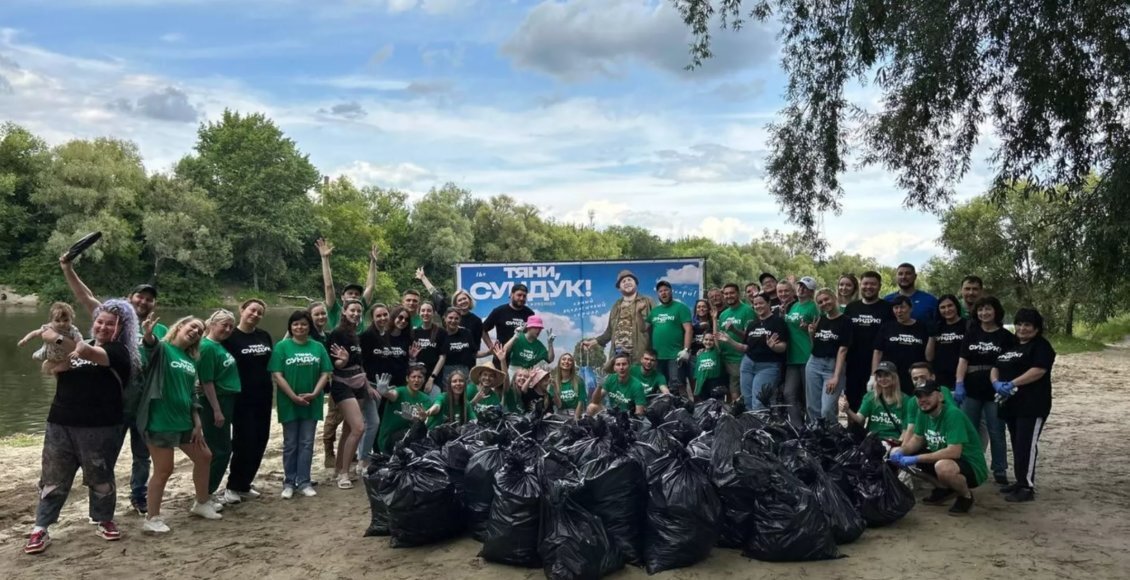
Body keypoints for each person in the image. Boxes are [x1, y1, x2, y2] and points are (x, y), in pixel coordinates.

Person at [24, 299, 139, 555]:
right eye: (100, 322)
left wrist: (54, 336)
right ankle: (40, 527)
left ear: (120, 329)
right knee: (53, 479)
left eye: (111, 324)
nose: (103, 327)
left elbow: (88, 354)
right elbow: (50, 367)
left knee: (100, 476)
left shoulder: (119, 352)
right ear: (93, 324)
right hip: (60, 422)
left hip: (100, 426)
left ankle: (103, 519)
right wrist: (51, 362)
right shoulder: (75, 347)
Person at [60, 253, 166, 516]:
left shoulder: (160, 330)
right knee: (107, 455)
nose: (144, 301)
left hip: (144, 405)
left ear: (154, 304)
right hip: (114, 402)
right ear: (130, 298)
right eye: (139, 296)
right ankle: (102, 503)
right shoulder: (115, 322)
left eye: (149, 298)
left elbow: (173, 356)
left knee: (143, 456)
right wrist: (68, 268)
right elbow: (86, 297)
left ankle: (138, 496)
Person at [138, 316, 221, 533]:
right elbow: (148, 349)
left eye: (200, 330)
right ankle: (152, 518)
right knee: (164, 470)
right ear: (180, 326)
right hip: (160, 420)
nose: (195, 331)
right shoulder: (162, 349)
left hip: (185, 420)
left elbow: (192, 392)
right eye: (192, 326)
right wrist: (148, 334)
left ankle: (201, 503)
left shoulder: (191, 359)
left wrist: (197, 423)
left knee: (205, 456)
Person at [892, 380, 988, 515]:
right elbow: (918, 439)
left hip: (969, 463)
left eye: (928, 395)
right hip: (942, 456)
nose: (923, 400)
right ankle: (943, 488)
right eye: (919, 396)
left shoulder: (953, 414)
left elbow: (954, 451)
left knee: (943, 467)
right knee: (897, 454)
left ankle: (965, 496)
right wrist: (901, 451)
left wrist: (915, 458)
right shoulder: (923, 413)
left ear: (940, 396)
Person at [992, 308, 1057, 502]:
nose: (1022, 328)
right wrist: (996, 382)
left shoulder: (1041, 346)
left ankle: (1027, 487)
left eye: (1027, 325)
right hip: (1011, 404)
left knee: (1026, 445)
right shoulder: (1010, 346)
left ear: (1036, 328)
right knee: (1017, 443)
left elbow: (1038, 370)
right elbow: (996, 366)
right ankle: (1020, 481)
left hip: (1032, 405)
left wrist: (1013, 383)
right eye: (1019, 324)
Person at [269, 310, 332, 499]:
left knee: (306, 443)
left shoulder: (318, 347)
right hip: (289, 402)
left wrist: (314, 393)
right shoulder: (282, 347)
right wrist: (293, 396)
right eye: (295, 324)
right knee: (290, 443)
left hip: (311, 403)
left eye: (304, 324)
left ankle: (304, 481)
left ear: (309, 327)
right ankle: (289, 482)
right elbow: (277, 375)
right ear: (290, 327)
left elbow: (325, 372)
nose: (299, 327)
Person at [955, 296, 1014, 485]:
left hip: (995, 390)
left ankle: (999, 469)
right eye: (980, 310)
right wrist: (959, 383)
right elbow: (963, 360)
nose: (984, 313)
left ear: (996, 311)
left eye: (988, 309)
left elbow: (1010, 363)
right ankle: (968, 465)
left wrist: (1005, 384)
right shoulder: (971, 333)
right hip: (971, 389)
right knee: (968, 430)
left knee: (996, 430)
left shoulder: (1006, 337)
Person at [221, 299, 274, 504]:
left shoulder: (264, 336)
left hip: (264, 395)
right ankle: (233, 486)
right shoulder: (230, 336)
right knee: (244, 440)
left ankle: (245, 484)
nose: (255, 315)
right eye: (252, 310)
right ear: (242, 310)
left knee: (261, 439)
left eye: (260, 312)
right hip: (241, 397)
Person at [197, 309, 242, 508]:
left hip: (226, 400)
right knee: (220, 450)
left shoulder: (218, 346)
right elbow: (207, 381)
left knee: (220, 448)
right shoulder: (207, 347)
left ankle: (207, 493)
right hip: (215, 402)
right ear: (212, 324)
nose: (228, 329)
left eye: (231, 326)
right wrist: (216, 409)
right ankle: (204, 494)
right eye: (224, 324)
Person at [718, 294, 787, 409]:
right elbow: (745, 347)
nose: (758, 306)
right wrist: (729, 341)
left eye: (761, 303)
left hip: (768, 366)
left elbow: (783, 346)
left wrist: (773, 346)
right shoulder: (752, 324)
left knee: (760, 402)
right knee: (747, 401)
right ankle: (751, 426)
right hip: (748, 364)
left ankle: (762, 426)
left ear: (768, 303)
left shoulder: (778, 322)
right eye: (755, 304)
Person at [326, 300, 368, 489]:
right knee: (359, 428)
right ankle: (344, 473)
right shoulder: (338, 333)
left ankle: (339, 469)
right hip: (342, 384)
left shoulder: (355, 334)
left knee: (349, 429)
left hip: (359, 383)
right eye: (353, 310)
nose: (356, 313)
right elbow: (336, 364)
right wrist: (342, 361)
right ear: (344, 311)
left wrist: (367, 384)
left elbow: (359, 363)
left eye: (359, 311)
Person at [582, 270, 654, 370]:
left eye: (630, 279)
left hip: (640, 355)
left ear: (636, 283)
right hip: (619, 356)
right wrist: (593, 342)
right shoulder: (616, 306)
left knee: (638, 384)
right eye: (623, 281)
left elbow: (657, 325)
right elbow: (609, 332)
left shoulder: (647, 301)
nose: (627, 282)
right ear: (619, 288)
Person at [843, 271, 892, 410]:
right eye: (865, 283)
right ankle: (853, 430)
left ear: (879, 286)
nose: (868, 287)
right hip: (853, 362)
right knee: (852, 400)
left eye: (873, 284)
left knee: (876, 401)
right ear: (860, 285)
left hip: (878, 364)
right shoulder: (852, 307)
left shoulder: (887, 308)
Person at [839, 361, 914, 446]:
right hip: (872, 441)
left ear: (894, 377)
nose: (882, 379)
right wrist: (847, 409)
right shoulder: (870, 397)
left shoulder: (906, 400)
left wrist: (899, 447)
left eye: (886, 375)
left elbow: (906, 430)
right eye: (879, 376)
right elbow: (860, 419)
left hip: (893, 441)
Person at [416, 269, 485, 355]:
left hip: (466, 362)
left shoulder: (476, 321)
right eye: (460, 300)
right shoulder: (447, 312)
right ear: (455, 303)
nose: (463, 301)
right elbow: (435, 294)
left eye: (465, 299)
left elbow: (475, 348)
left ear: (470, 300)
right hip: (447, 357)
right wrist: (423, 278)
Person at [806, 288, 850, 423]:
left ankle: (830, 438)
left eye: (826, 299)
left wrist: (836, 377)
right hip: (814, 363)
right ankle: (815, 436)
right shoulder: (821, 319)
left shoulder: (845, 321)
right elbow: (815, 345)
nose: (824, 303)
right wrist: (811, 334)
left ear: (834, 299)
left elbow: (843, 350)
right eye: (820, 302)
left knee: (827, 409)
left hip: (833, 366)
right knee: (813, 406)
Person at [316, 238, 378, 331]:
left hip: (358, 344)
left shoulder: (361, 308)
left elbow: (370, 287)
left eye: (357, 294)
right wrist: (325, 259)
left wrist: (373, 263)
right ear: (342, 297)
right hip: (340, 344)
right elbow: (328, 286)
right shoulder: (335, 309)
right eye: (350, 293)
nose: (353, 295)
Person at [872, 295, 930, 394]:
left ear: (910, 308)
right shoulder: (887, 327)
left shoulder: (922, 327)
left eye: (902, 307)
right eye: (896, 308)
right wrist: (873, 376)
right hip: (890, 376)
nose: (899, 311)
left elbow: (928, 355)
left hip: (914, 377)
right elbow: (877, 352)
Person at [357, 304, 392, 467]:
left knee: (373, 421)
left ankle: (366, 453)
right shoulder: (366, 335)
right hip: (369, 385)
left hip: (384, 385)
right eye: (378, 316)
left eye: (385, 315)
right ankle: (363, 459)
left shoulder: (387, 334)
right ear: (372, 318)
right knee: (373, 422)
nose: (382, 318)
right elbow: (359, 363)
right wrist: (367, 386)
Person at [781, 278, 819, 425]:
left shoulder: (814, 307)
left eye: (805, 287)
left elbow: (819, 329)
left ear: (811, 291)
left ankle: (812, 425)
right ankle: (798, 426)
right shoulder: (794, 305)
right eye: (800, 286)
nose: (801, 289)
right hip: (792, 356)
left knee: (808, 395)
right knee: (788, 393)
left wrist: (809, 328)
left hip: (807, 355)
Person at [373, 365, 434, 453]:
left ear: (424, 380)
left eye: (420, 377)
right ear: (407, 379)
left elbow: (424, 418)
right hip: (390, 439)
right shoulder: (400, 391)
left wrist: (420, 419)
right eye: (413, 377)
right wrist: (385, 392)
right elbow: (393, 395)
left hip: (411, 437)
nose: (416, 380)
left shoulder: (426, 399)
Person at [646, 280, 693, 390]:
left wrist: (686, 349)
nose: (663, 293)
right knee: (661, 388)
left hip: (675, 356)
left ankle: (681, 408)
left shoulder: (681, 308)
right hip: (657, 358)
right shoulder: (654, 311)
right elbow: (644, 328)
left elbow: (689, 329)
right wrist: (638, 313)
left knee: (677, 388)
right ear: (658, 294)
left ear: (671, 291)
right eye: (660, 291)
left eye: (666, 290)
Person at [18, 301, 84, 375]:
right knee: (37, 358)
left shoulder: (72, 330)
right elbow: (35, 333)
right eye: (57, 321)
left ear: (72, 319)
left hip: (65, 357)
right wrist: (25, 340)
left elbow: (80, 342)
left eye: (66, 320)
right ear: (51, 320)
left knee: (57, 370)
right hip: (49, 353)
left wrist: (77, 351)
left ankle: (57, 376)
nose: (62, 323)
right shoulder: (49, 327)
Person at [716, 283, 757, 400]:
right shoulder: (723, 314)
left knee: (738, 392)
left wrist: (734, 329)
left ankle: (741, 417)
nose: (729, 296)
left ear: (738, 294)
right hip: (724, 359)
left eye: (732, 293)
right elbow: (720, 335)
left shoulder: (748, 311)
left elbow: (751, 336)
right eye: (726, 293)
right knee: (727, 392)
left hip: (739, 358)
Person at [482, 283, 535, 368]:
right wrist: (491, 348)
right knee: (500, 381)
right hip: (501, 355)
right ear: (511, 295)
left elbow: (532, 335)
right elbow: (483, 330)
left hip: (521, 356)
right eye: (519, 295)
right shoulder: (499, 311)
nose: (521, 298)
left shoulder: (530, 314)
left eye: (524, 296)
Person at [927, 294, 967, 388]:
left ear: (956, 306)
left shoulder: (968, 325)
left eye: (950, 305)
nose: (947, 310)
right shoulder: (937, 327)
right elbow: (929, 357)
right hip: (941, 378)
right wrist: (932, 335)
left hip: (963, 377)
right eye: (943, 307)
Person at [412, 302, 447, 395]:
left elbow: (442, 357)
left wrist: (432, 378)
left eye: (429, 311)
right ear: (419, 313)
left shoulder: (441, 332)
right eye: (423, 310)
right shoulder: (414, 332)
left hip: (434, 375)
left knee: (433, 403)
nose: (425, 313)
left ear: (433, 313)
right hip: (417, 377)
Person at [440, 307, 477, 389]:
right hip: (447, 372)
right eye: (450, 318)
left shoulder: (466, 333)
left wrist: (489, 352)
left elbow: (474, 353)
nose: (453, 321)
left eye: (456, 318)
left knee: (465, 397)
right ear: (445, 318)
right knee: (449, 398)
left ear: (460, 320)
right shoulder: (440, 334)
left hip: (465, 371)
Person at [551, 353, 587, 419]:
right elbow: (559, 406)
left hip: (576, 414)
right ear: (559, 363)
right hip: (560, 415)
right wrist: (555, 390)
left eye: (570, 360)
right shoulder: (554, 382)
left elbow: (581, 401)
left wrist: (575, 419)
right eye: (564, 359)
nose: (566, 362)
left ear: (572, 364)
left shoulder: (579, 381)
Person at [691, 332, 724, 401]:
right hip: (702, 383)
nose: (708, 342)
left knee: (716, 403)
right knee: (705, 404)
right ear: (702, 340)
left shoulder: (716, 351)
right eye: (706, 339)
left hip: (714, 382)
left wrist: (714, 321)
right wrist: (696, 389)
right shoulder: (700, 354)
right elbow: (697, 374)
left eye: (711, 340)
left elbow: (716, 337)